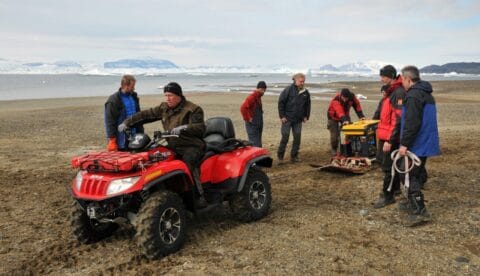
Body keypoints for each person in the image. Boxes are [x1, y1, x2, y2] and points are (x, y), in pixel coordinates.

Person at [118, 82, 207, 206]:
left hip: (191, 146)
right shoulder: (164, 108)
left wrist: (185, 127)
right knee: (153, 158)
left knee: (188, 164)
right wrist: (127, 122)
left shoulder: (193, 109)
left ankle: (198, 196)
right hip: (173, 145)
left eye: (170, 95)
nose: (167, 98)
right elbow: (145, 115)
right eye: (166, 95)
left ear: (178, 95)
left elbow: (200, 127)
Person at [399, 65, 440, 226]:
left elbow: (412, 123)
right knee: (416, 173)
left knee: (407, 175)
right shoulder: (427, 94)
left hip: (417, 143)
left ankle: (420, 210)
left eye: (402, 79)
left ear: (408, 79)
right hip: (426, 141)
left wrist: (404, 144)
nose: (402, 82)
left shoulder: (413, 96)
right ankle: (413, 202)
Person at [373, 65, 406, 208]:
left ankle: (388, 196)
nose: (381, 79)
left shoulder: (397, 92)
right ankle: (396, 189)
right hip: (387, 134)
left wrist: (389, 140)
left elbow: (398, 119)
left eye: (384, 76)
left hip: (391, 137)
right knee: (392, 165)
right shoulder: (391, 92)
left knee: (388, 167)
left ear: (391, 76)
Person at [277, 73, 311, 163]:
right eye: (300, 81)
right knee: (285, 137)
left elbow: (308, 105)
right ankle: (280, 157)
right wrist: (282, 116)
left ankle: (294, 156)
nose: (302, 83)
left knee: (297, 137)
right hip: (287, 119)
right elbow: (281, 103)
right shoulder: (288, 90)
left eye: (303, 81)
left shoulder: (305, 92)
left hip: (298, 119)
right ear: (295, 80)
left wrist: (306, 116)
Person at [104, 75, 143, 151]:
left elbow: (138, 115)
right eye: (132, 86)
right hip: (122, 138)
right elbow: (109, 121)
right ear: (125, 85)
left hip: (135, 136)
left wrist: (141, 131)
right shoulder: (113, 100)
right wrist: (112, 140)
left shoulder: (134, 97)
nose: (134, 88)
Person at [326, 88, 365, 155]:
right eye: (343, 98)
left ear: (348, 97)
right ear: (341, 95)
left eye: (346, 98)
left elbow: (357, 105)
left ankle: (349, 148)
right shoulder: (336, 100)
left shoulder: (352, 97)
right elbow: (339, 111)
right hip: (333, 117)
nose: (344, 100)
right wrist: (344, 120)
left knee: (349, 132)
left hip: (345, 115)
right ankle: (334, 149)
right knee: (334, 136)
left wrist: (361, 116)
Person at [240, 81, 267, 147]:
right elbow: (243, 108)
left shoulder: (258, 97)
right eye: (261, 90)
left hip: (258, 124)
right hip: (252, 125)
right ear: (257, 88)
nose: (263, 92)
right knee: (255, 144)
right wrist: (248, 119)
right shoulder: (251, 97)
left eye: (264, 90)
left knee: (258, 143)